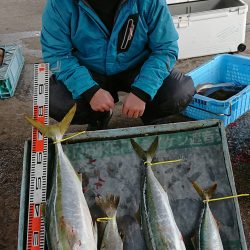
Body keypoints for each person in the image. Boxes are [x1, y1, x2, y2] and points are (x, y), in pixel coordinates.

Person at [41, 0, 195, 130]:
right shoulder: (59, 4)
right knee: (53, 100)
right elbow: (57, 54)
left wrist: (143, 91)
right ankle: (99, 115)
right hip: (89, 70)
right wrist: (88, 90)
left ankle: (150, 114)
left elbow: (165, 48)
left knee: (179, 91)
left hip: (138, 67)